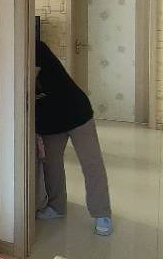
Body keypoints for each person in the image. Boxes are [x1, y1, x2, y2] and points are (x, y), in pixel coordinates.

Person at [35, 39, 113, 236]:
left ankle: (102, 213)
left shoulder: (36, 48)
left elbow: (30, 78)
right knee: (51, 164)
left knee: (91, 162)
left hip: (77, 113)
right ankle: (57, 206)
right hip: (50, 120)